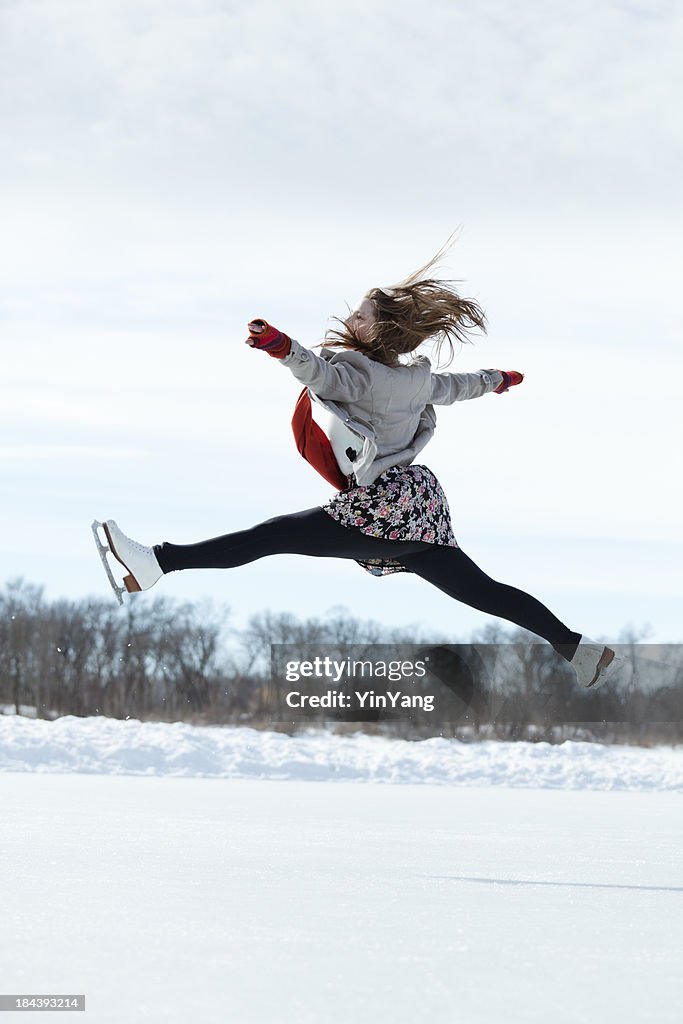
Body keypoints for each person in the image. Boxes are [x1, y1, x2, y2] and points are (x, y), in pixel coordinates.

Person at [98, 237, 620, 689]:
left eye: (360, 316)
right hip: (421, 508)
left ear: (378, 332)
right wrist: (497, 380)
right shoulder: (417, 379)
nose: (350, 320)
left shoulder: (357, 374)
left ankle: (157, 562)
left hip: (383, 509)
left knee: (273, 535)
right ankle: (579, 650)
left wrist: (280, 347)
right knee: (483, 591)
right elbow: (460, 386)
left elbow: (318, 375)